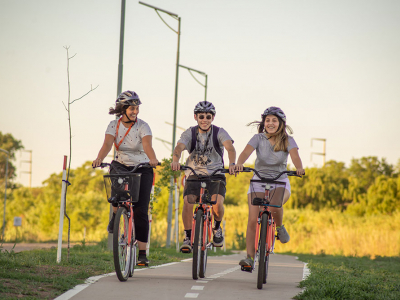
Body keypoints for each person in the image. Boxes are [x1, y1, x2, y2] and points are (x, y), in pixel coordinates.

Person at [92, 90, 159, 266]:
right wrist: (99, 158)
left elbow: (147, 145)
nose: (135, 111)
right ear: (123, 109)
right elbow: (107, 144)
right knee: (115, 188)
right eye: (131, 108)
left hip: (143, 166)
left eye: (136, 108)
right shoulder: (113, 125)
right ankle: (116, 214)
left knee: (140, 210)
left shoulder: (143, 126)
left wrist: (152, 159)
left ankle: (142, 253)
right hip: (121, 164)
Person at [234, 106, 305, 269]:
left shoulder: (288, 140)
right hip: (258, 180)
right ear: (264, 123)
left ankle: (279, 227)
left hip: (280, 180)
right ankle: (250, 258)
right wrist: (239, 164)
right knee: (252, 219)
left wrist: (299, 168)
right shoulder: (258, 138)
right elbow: (245, 153)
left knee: (275, 205)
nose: (271, 123)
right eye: (268, 120)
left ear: (281, 123)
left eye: (274, 120)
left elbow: (295, 156)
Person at [171, 101, 236, 253]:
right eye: (201, 116)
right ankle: (187, 237)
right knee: (188, 202)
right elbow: (179, 148)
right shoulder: (190, 133)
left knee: (217, 203)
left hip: (215, 174)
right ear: (195, 117)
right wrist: (175, 160)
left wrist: (232, 163)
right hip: (194, 173)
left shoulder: (220, 132)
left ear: (213, 118)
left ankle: (217, 228)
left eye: (208, 116)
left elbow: (230, 148)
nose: (204, 120)